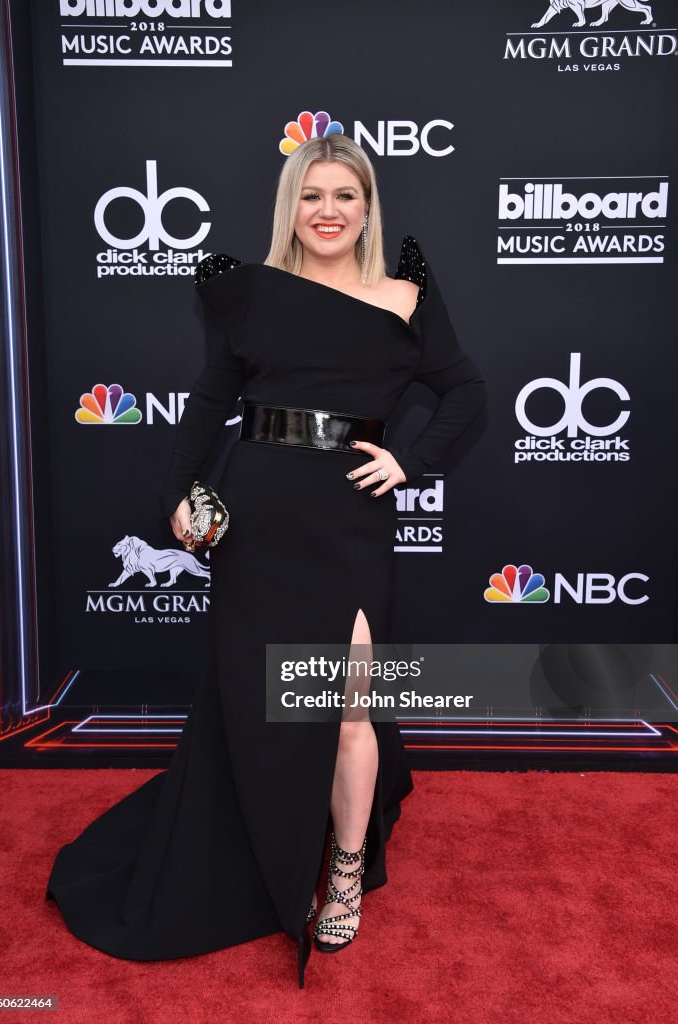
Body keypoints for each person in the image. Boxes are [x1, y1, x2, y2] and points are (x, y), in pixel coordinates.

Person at [45, 135, 486, 987]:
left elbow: (466, 389)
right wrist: (179, 490)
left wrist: (410, 461)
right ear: (293, 204)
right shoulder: (246, 290)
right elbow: (214, 394)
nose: (329, 210)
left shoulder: (405, 294)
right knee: (257, 700)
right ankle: (251, 845)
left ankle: (346, 872)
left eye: (346, 196)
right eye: (312, 194)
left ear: (367, 207)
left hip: (348, 518)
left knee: (351, 705)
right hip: (258, 512)